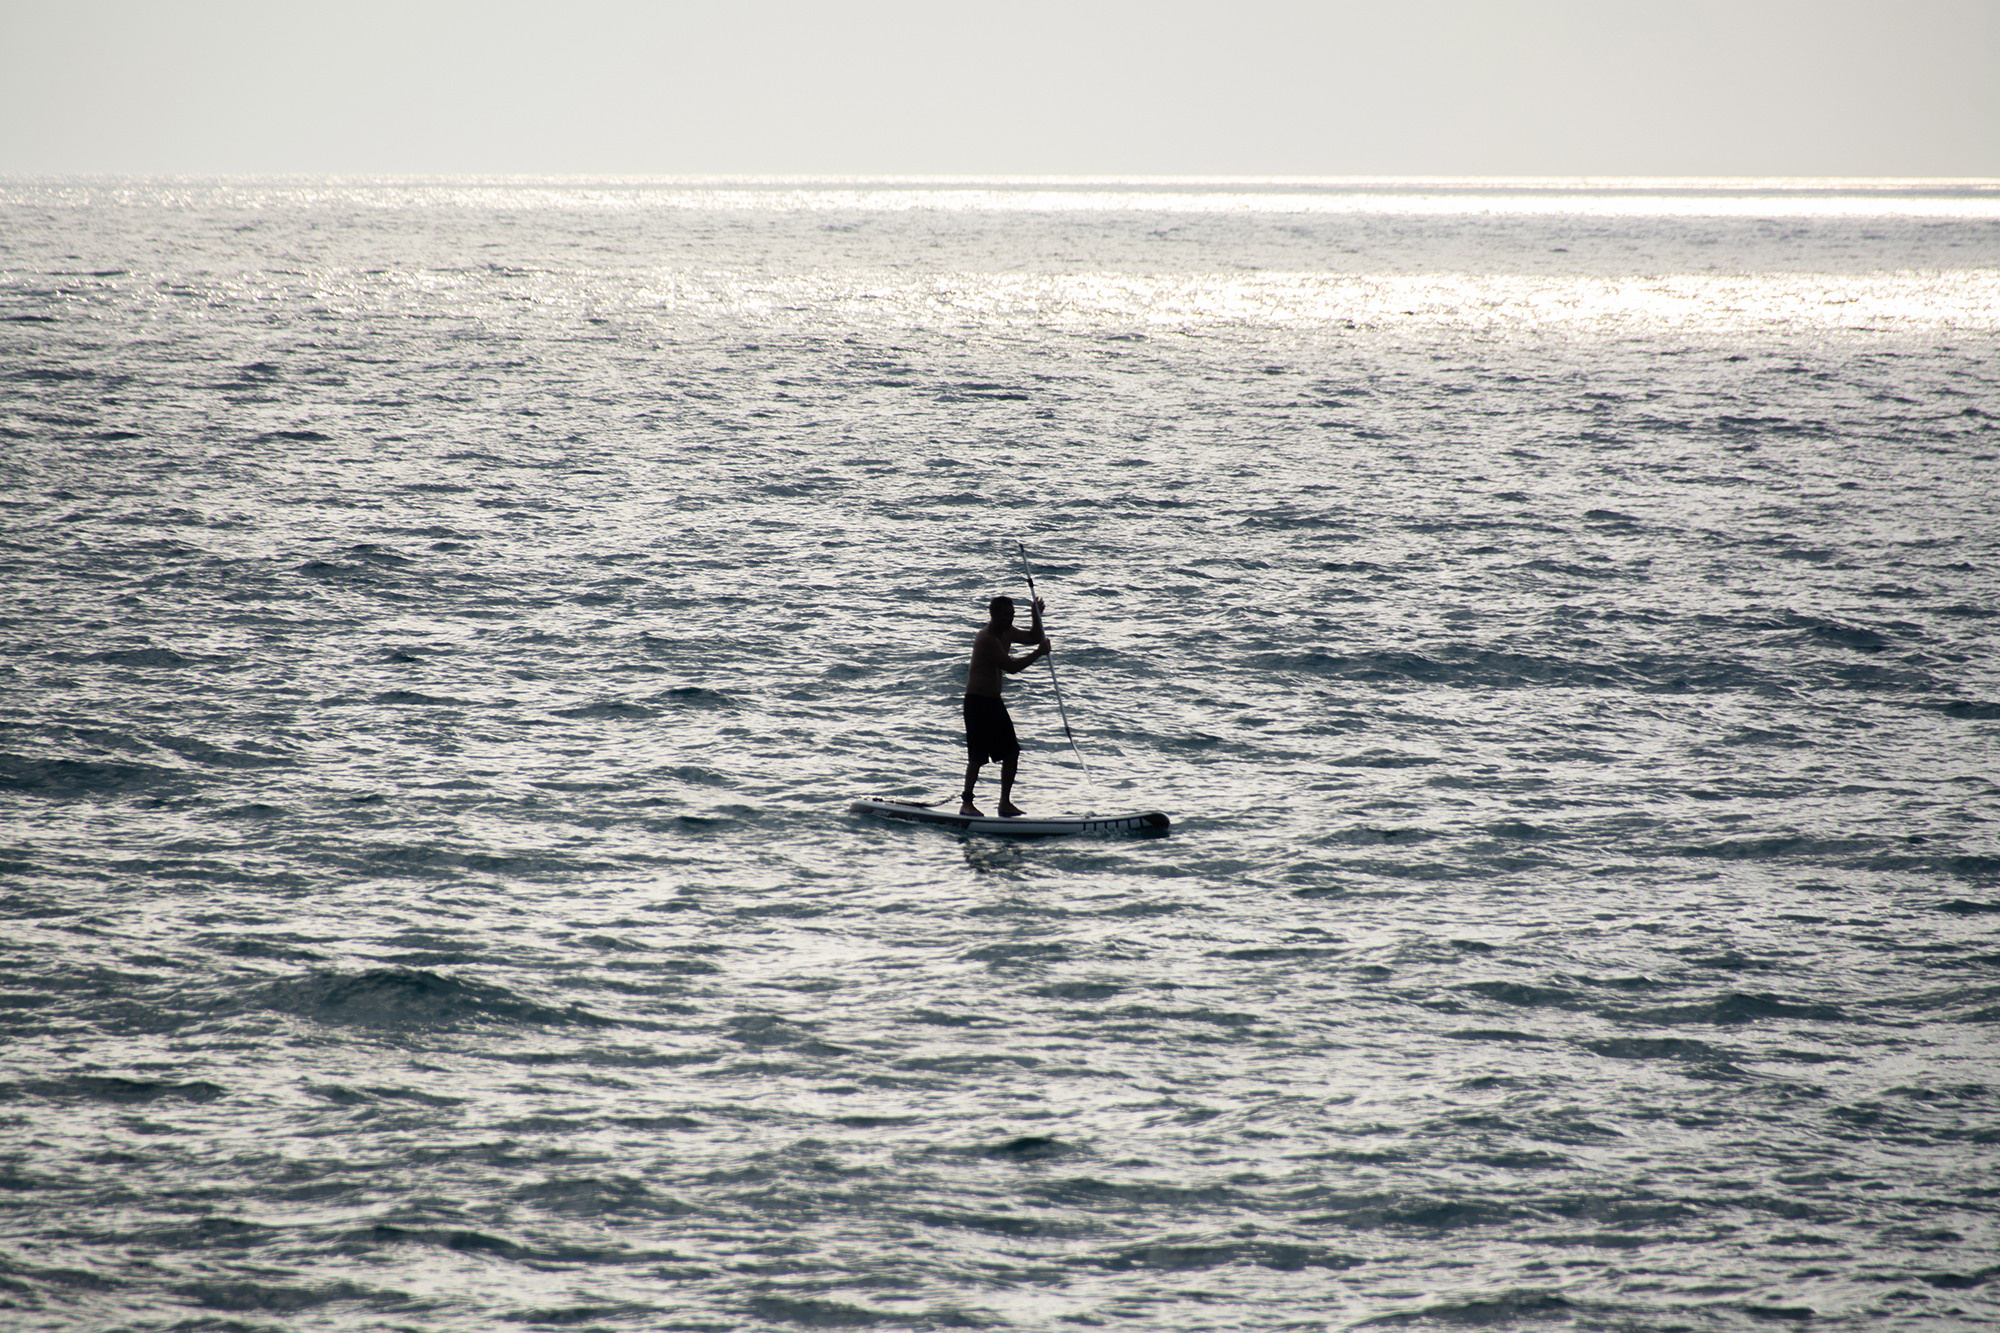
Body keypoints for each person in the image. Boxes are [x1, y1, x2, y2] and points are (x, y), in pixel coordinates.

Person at [961, 594, 1051, 817]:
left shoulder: (1007, 631)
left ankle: (1004, 803)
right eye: (1005, 617)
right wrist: (1039, 653)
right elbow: (1010, 667)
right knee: (977, 756)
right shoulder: (987, 639)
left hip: (994, 702)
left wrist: (1035, 616)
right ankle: (967, 803)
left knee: (1011, 752)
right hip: (977, 702)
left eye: (1012, 616)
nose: (1009, 621)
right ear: (993, 616)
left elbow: (1033, 636)